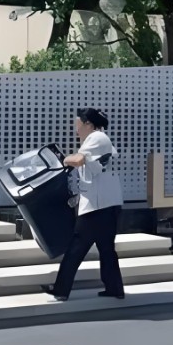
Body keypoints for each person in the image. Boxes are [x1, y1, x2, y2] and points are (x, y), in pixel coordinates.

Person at [45, 108, 125, 300]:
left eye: (77, 123)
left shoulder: (96, 137)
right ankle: (114, 289)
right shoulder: (99, 140)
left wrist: (64, 159)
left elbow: (79, 160)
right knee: (106, 249)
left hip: (97, 207)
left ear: (88, 123)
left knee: (76, 248)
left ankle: (61, 290)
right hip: (106, 204)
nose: (76, 128)